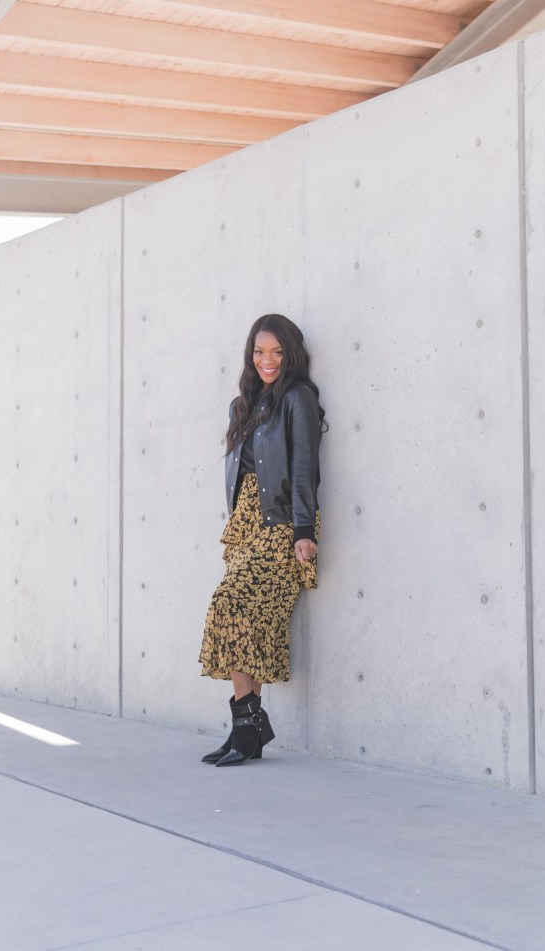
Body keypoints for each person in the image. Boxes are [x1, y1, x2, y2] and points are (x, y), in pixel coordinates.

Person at [199, 313, 327, 766]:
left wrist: (303, 532)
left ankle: (248, 729)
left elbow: (304, 469)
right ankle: (246, 731)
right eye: (258, 351)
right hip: (246, 528)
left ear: (289, 353)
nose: (266, 360)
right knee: (245, 625)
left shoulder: (298, 398)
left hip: (280, 527)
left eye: (275, 352)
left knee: (231, 606)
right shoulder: (246, 404)